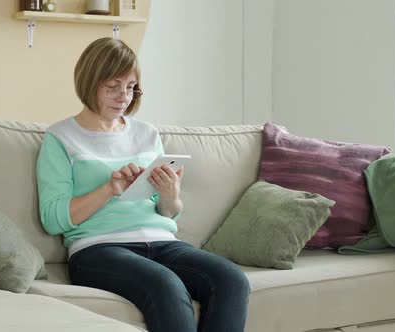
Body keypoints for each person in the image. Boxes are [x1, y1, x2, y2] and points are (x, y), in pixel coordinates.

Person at [36, 37, 250, 332]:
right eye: (112, 87)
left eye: (130, 87)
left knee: (231, 279)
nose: (123, 96)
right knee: (166, 285)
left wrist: (169, 194)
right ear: (89, 82)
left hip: (162, 242)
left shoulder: (147, 134)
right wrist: (110, 189)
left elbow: (168, 213)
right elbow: (53, 218)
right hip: (98, 249)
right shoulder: (60, 138)